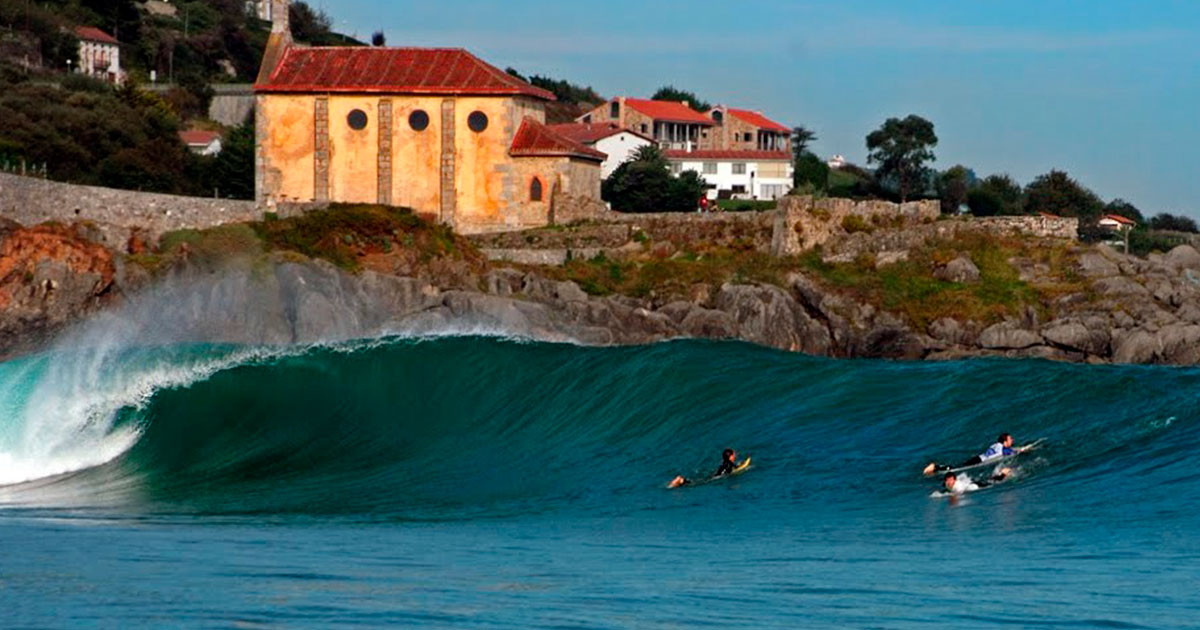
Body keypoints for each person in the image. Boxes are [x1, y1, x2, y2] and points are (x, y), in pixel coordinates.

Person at [923, 433, 1019, 476]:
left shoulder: (996, 445)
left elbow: (1008, 450)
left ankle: (936, 469)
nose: (1012, 440)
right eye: (1010, 439)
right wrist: (1022, 451)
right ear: (1005, 441)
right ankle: (936, 467)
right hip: (979, 460)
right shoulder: (1003, 449)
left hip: (978, 458)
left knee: (958, 467)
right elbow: (1010, 452)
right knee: (956, 469)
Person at [667, 448, 738, 488]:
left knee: (699, 481)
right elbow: (738, 469)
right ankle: (682, 480)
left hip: (715, 475)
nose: (735, 456)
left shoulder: (724, 462)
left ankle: (682, 481)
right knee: (698, 483)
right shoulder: (730, 463)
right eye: (734, 454)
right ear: (731, 456)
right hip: (717, 477)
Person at [942, 467, 1012, 495]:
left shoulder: (958, 487)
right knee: (990, 479)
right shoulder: (947, 484)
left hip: (976, 486)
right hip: (971, 483)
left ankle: (1004, 473)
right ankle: (998, 474)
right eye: (947, 480)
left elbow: (958, 494)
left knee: (995, 482)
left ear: (954, 480)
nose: (949, 482)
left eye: (950, 480)